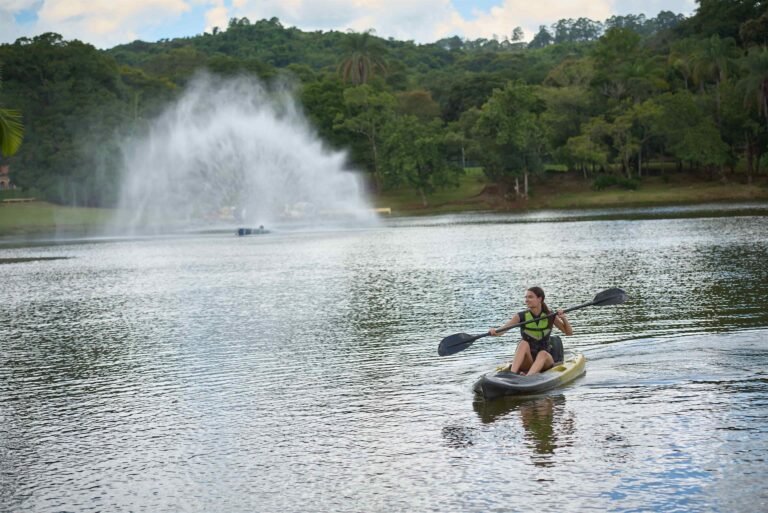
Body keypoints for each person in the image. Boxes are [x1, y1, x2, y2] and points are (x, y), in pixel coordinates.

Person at [489, 286, 573, 376]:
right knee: (523, 343)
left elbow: (569, 333)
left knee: (543, 353)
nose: (526, 300)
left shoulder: (550, 315)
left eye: (530, 297)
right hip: (528, 361)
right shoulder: (520, 316)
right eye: (526, 297)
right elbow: (502, 331)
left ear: (540, 299)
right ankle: (512, 374)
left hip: (545, 361)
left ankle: (528, 377)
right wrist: (494, 332)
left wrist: (563, 318)